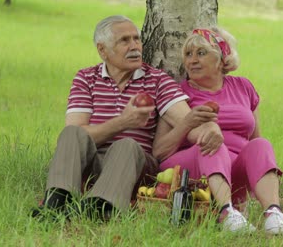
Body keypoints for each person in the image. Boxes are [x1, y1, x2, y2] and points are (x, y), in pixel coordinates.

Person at [31, 15, 223, 221]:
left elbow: (188, 121)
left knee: (127, 145)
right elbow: (78, 133)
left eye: (136, 39)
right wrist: (124, 122)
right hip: (93, 160)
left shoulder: (157, 80)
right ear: (102, 50)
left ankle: (101, 207)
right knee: (70, 133)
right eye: (124, 40)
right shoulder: (86, 78)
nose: (135, 46)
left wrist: (211, 128)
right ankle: (56, 201)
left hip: (134, 163)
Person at [153, 27, 283, 234]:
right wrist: (188, 123)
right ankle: (227, 213)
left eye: (201, 53)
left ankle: (273, 214)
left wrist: (256, 185)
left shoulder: (243, 86)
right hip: (192, 167)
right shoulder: (178, 93)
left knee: (261, 145)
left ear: (221, 58)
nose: (192, 60)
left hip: (232, 169)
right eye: (188, 55)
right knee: (212, 143)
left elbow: (254, 141)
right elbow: (159, 152)